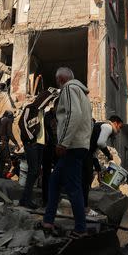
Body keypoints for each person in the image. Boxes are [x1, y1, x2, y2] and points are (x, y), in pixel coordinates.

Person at [42, 67, 92, 237]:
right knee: (55, 181)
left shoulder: (69, 88)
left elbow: (73, 115)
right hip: (78, 144)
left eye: (57, 81)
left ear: (60, 79)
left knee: (73, 187)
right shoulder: (82, 93)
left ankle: (80, 229)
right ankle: (48, 221)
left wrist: (63, 142)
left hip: (72, 146)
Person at [18, 90, 56, 209]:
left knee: (35, 173)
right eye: (47, 101)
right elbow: (22, 123)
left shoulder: (41, 112)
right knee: (33, 171)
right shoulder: (30, 108)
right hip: (32, 144)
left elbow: (42, 128)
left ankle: (25, 199)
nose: (48, 104)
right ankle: (26, 200)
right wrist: (30, 138)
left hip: (40, 145)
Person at [83, 115, 124, 207]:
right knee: (85, 182)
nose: (119, 131)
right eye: (119, 127)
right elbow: (101, 143)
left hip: (87, 153)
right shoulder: (107, 126)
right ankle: (84, 207)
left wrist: (98, 170)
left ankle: (84, 206)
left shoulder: (100, 127)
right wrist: (108, 154)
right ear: (115, 123)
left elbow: (93, 153)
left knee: (86, 181)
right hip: (84, 153)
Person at [40, 103, 58, 205]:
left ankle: (54, 196)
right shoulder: (48, 116)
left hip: (57, 147)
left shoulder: (59, 116)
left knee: (57, 173)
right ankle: (46, 199)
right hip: (48, 147)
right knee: (46, 174)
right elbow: (49, 133)